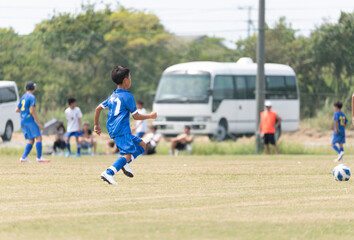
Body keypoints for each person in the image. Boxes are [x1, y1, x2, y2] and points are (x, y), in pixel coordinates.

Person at [94, 65, 157, 185]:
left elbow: (98, 109)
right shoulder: (127, 96)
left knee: (142, 144)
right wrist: (150, 116)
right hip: (121, 130)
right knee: (127, 155)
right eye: (130, 77)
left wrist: (96, 125)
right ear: (125, 80)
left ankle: (125, 163)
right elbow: (136, 116)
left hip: (115, 129)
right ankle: (109, 172)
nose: (131, 80)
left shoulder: (112, 96)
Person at [15, 81, 50, 162]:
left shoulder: (23, 97)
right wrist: (39, 123)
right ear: (33, 88)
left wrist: (24, 112)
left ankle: (23, 158)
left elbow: (17, 109)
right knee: (38, 137)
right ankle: (39, 157)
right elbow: (33, 111)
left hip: (23, 120)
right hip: (29, 120)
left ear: (25, 88)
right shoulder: (32, 97)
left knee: (31, 140)